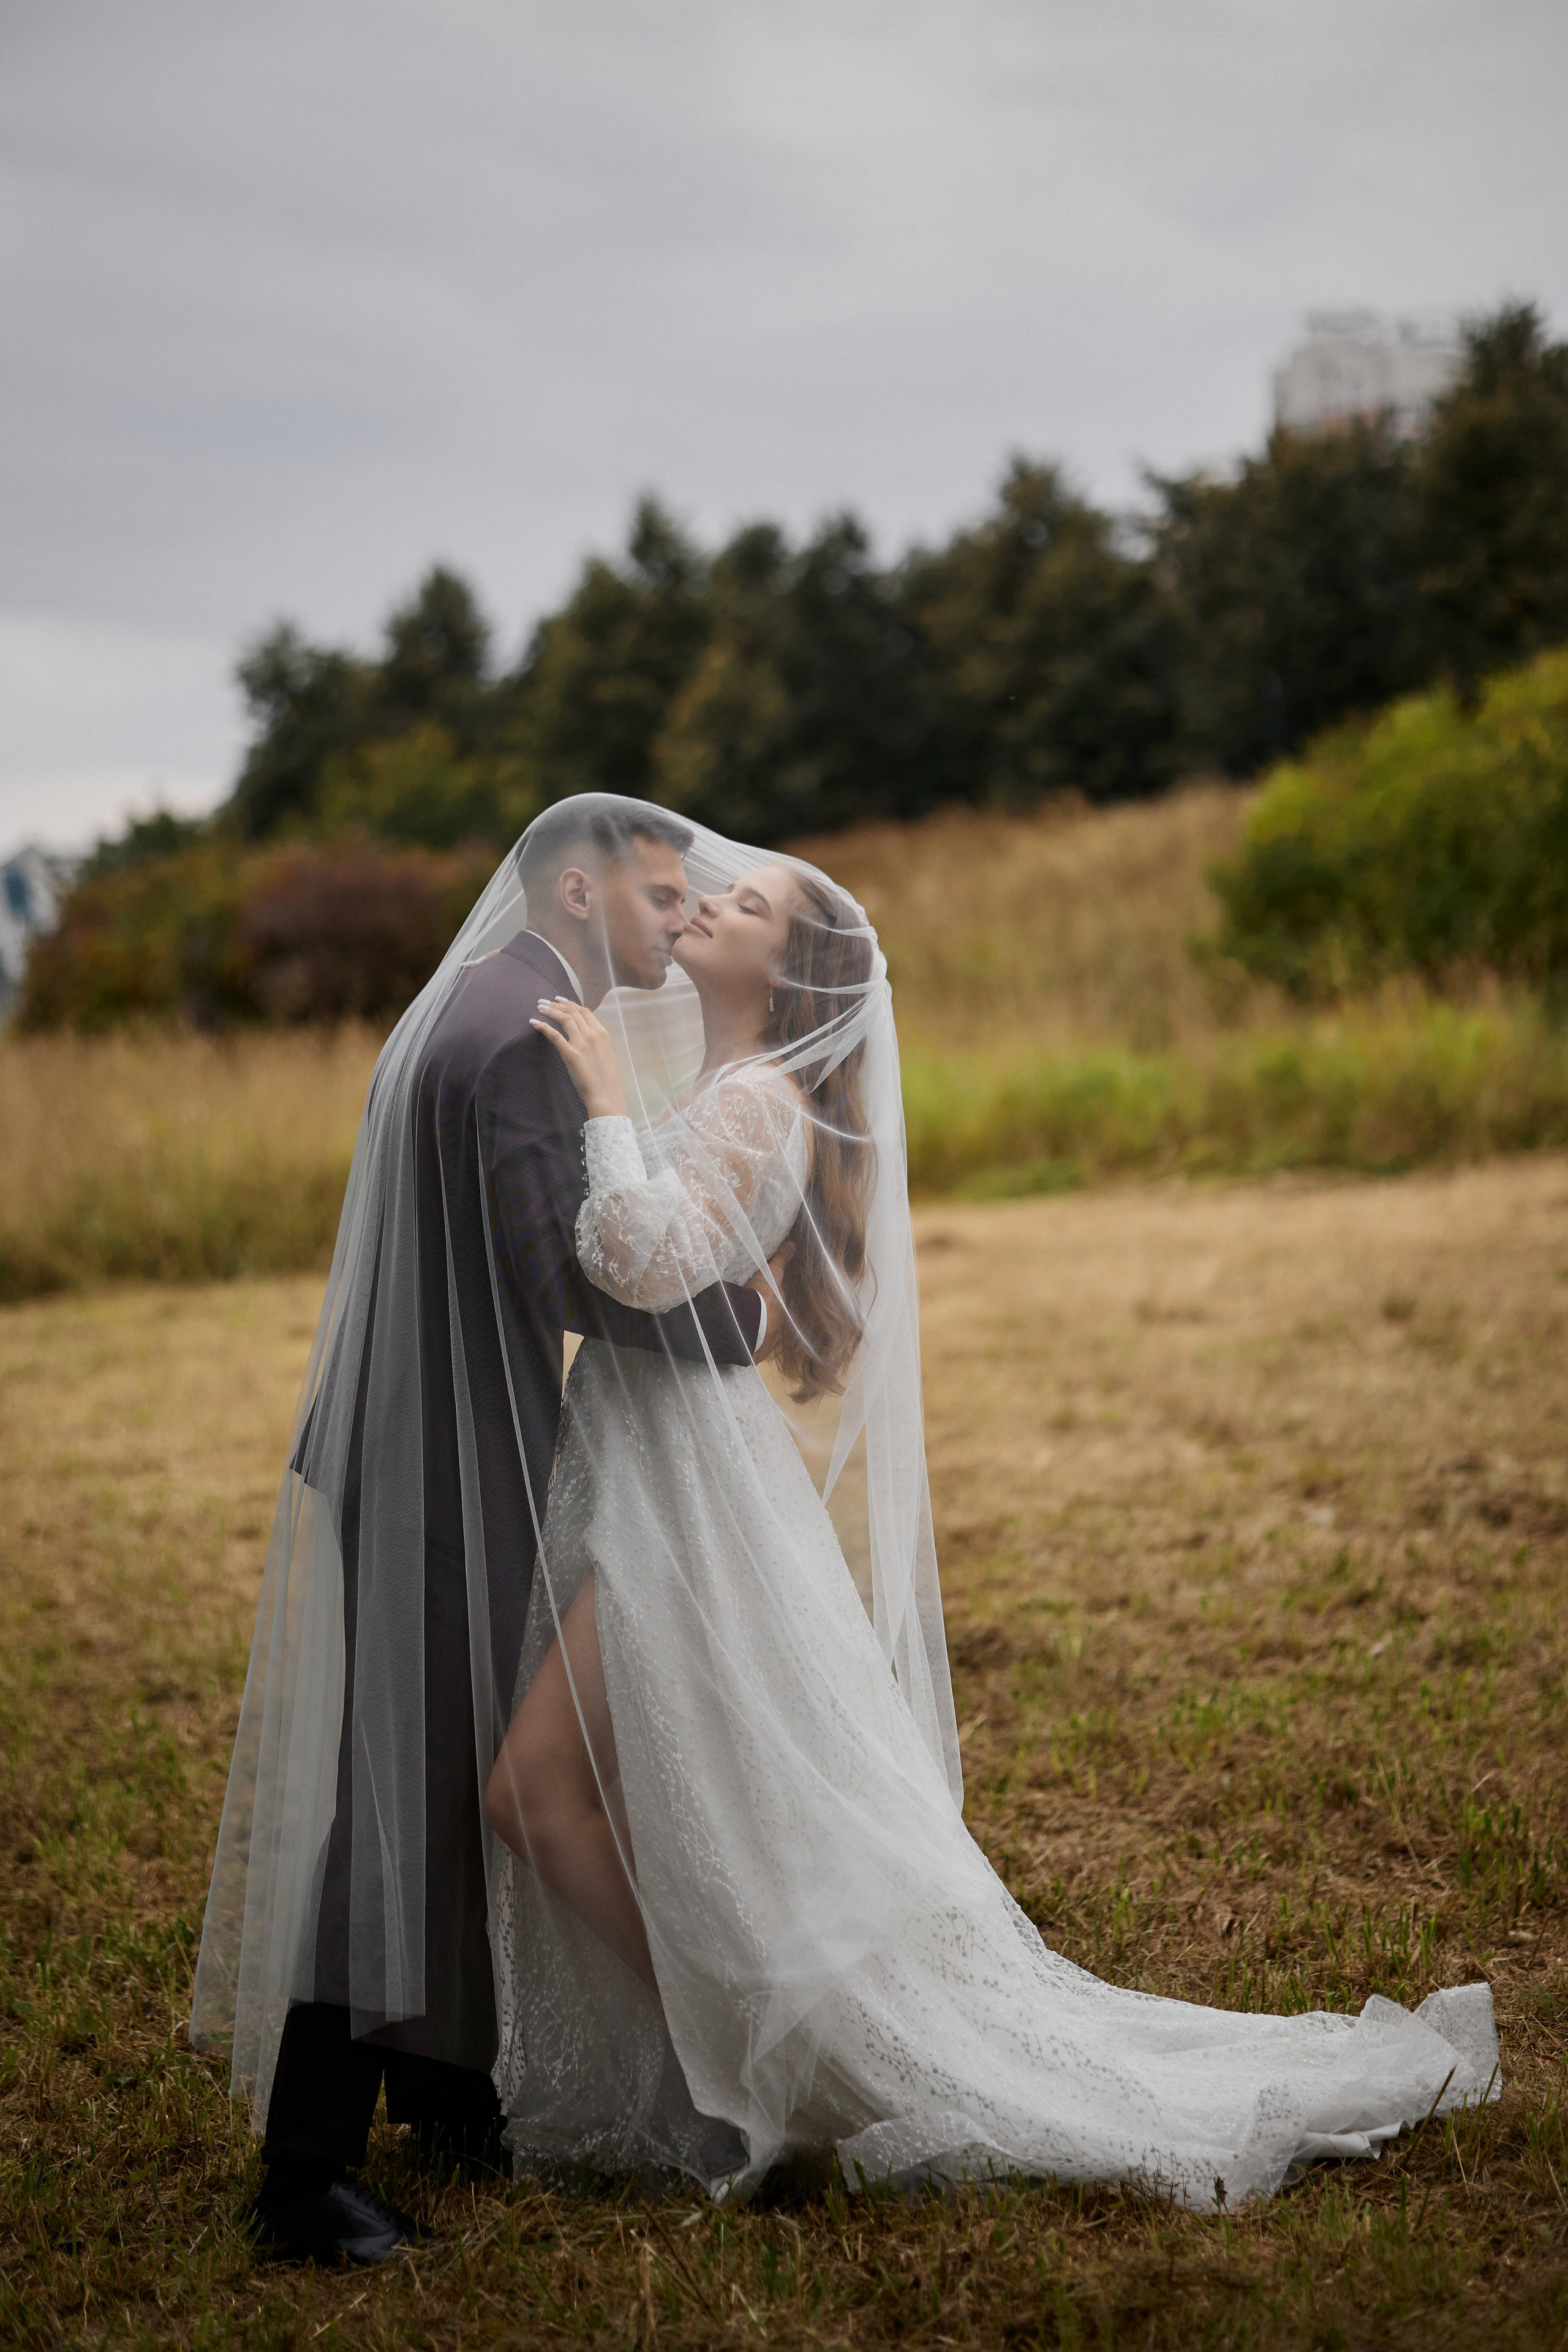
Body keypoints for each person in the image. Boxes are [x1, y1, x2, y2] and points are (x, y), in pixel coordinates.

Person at [477, 804, 1499, 2207]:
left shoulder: (759, 1097)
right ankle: (733, 2072)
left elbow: (647, 1262)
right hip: (658, 1463)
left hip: (684, 1488)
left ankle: (740, 2084)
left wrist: (598, 1104)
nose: (707, 904)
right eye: (716, 894)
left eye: (749, 907)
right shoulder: (736, 1092)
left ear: (787, 975)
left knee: (538, 1791)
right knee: (622, 1793)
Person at [191, 799, 775, 2265]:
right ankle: (301, 2175)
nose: (671, 919)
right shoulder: (526, 1035)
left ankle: (446, 2095)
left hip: (413, 1443)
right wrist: (734, 1318)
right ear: (576, 892)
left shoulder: (475, 999)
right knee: (396, 1795)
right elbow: (565, 1274)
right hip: (438, 1466)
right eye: (653, 897)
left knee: (446, 1770)